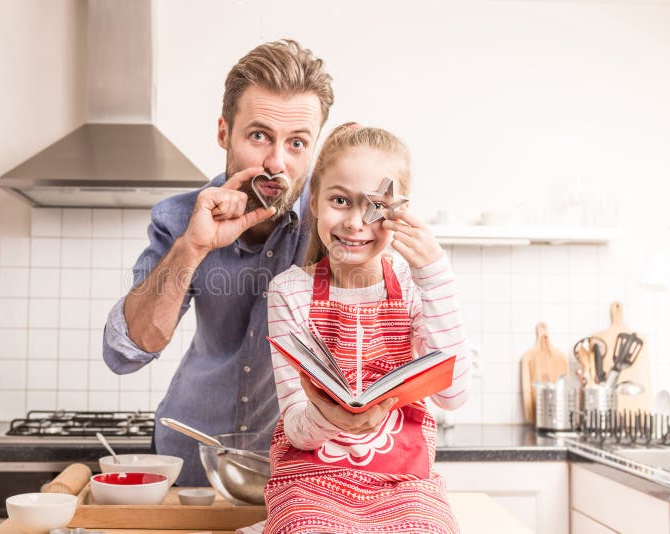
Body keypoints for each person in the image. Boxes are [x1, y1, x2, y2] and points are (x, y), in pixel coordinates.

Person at [102, 39, 334, 486]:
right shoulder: (178, 220)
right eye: (259, 135)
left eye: (297, 143)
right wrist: (192, 248)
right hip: (193, 459)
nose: (275, 163)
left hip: (293, 472)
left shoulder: (330, 224)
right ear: (224, 132)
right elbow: (124, 353)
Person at [263, 123, 472, 533]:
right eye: (340, 200)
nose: (357, 222)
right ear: (316, 204)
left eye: (376, 206)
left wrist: (435, 276)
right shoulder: (289, 291)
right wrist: (330, 418)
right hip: (309, 483)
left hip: (405, 484)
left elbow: (453, 394)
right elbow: (297, 430)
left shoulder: (417, 286)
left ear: (400, 212)